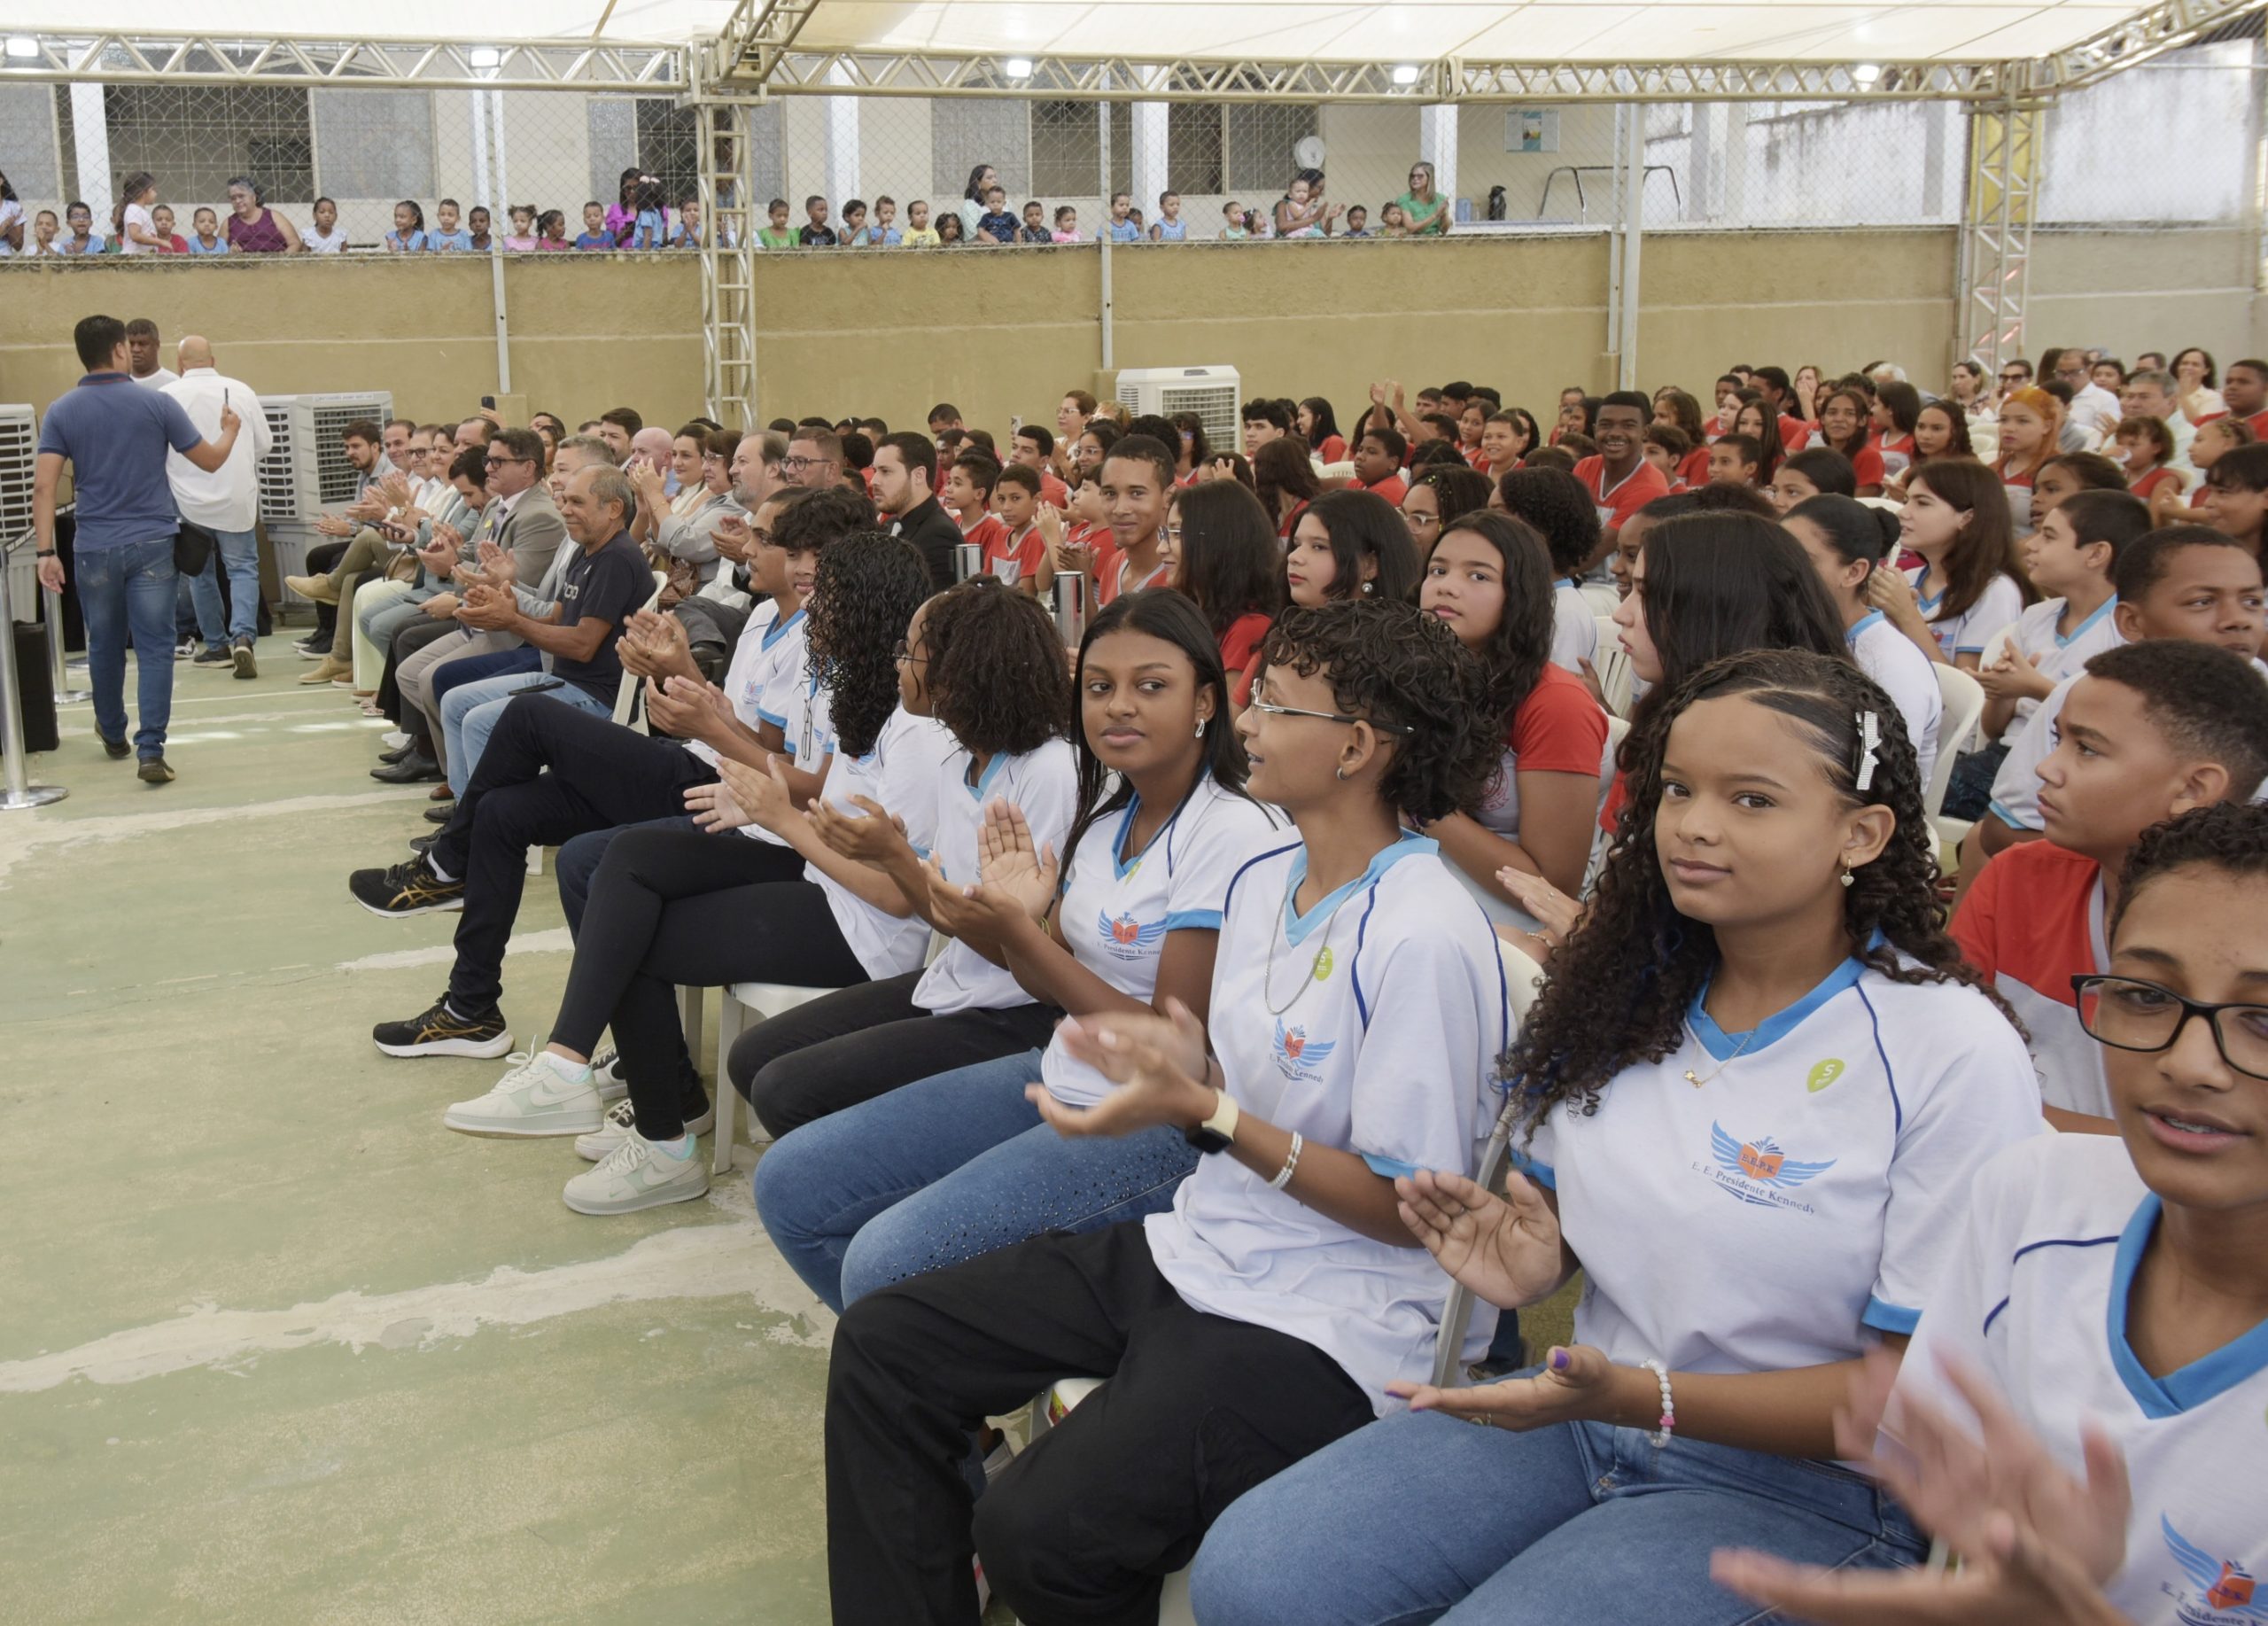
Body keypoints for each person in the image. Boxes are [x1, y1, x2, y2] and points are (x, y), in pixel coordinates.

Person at [1191, 647, 2044, 1626]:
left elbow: (1911, 1392)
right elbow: (1558, 1228)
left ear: (1862, 831)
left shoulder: (1947, 1051)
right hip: (1586, 1414)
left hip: (1808, 1489)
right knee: (1255, 1574)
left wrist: (1646, 1394)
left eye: (1752, 800)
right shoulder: (1629, 989)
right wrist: (1531, 1258)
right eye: (1677, 788)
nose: (1694, 825)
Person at [822, 596, 1504, 1624]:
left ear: (1357, 746)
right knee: (887, 1342)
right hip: (1210, 1241)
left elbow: (1412, 1208)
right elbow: (1227, 1057)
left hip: (1333, 1317)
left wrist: (1208, 1109)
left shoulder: (1424, 933)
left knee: (1036, 1531)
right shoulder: (1273, 873)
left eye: (1276, 703)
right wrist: (1175, 1063)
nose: (1251, 721)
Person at [1723, 800, 2268, 1626]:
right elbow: (1954, 1514)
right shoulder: (2038, 1194)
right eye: (2148, 994)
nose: (2189, 1062)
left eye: (2262, 1019)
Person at [757, 588, 1280, 1303]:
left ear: (1206, 703)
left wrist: (1016, 932)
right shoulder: (1106, 820)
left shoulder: (1230, 832)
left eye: (1150, 686)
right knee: (791, 1185)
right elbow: (1046, 974)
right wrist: (1018, 925)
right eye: (1100, 687)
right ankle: (920, 1377)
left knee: (881, 1262)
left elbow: (1166, 1043)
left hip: (1155, 1122)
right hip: (1059, 1067)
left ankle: (915, 1375)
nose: (1120, 705)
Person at [438, 533, 939, 1184]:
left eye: (832, 599)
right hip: (820, 875)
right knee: (626, 862)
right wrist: (758, 802)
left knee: (629, 932)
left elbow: (894, 890)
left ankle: (659, 1138)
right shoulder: (863, 694)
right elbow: (833, 801)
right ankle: (586, 1078)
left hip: (864, 929)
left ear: (871, 608)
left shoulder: (917, 731)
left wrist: (778, 813)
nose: (817, 614)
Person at [1954, 640, 2268, 1134]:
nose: (2046, 767)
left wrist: (2018, 1119)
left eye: (2086, 748)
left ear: (2192, 789)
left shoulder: (2252, 939)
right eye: (2057, 740)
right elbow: (1946, 1062)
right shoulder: (2019, 877)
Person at [1973, 525, 2266, 866]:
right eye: (2202, 602)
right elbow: (2002, 829)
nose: (2237, 621)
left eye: (2252, 601)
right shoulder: (2085, 692)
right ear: (2132, 622)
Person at [33, 315, 244, 782]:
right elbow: (209, 461)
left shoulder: (62, 410)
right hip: (152, 541)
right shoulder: (156, 403)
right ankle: (151, 750)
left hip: (93, 545)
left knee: (103, 645)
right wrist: (230, 429)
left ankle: (112, 732)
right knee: (154, 648)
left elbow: (44, 487)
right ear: (120, 351)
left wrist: (46, 552)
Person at [1418, 509, 1611, 922]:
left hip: (1511, 920)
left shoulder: (1556, 703)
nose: (1446, 587)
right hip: (1428, 880)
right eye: (1437, 570)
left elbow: (1552, 887)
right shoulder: (1427, 674)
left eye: (1478, 576)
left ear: (1520, 595)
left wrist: (1421, 804)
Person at [1952, 487, 2147, 819]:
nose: (2031, 544)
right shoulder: (2036, 617)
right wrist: (2001, 692)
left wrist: (2034, 687)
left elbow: (2118, 725)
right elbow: (1995, 729)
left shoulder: (2127, 629)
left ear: (2096, 554)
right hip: (2005, 756)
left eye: (2049, 536)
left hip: (2070, 771)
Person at [1784, 494, 1946, 790]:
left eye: (1803, 560)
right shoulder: (1796, 632)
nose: (1782, 570)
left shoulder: (1891, 666)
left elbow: (1874, 780)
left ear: (1854, 572)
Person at [162, 338, 270, 680]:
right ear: (213, 359)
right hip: (237, 495)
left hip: (189, 500)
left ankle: (216, 645)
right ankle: (243, 637)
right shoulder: (241, 390)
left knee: (199, 572)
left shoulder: (167, 396)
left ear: (180, 364)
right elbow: (264, 444)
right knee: (242, 569)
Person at [1869, 459, 2029, 669]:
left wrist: (1906, 615)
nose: (1903, 513)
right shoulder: (1908, 579)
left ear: (1967, 518)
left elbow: (1965, 693)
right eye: (1907, 500)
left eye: (1922, 503)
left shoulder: (1994, 592)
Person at [1160, 478, 1281, 705]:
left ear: (1218, 540)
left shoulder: (1249, 628)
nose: (1161, 548)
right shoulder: (1196, 612)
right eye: (1166, 534)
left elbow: (1222, 727)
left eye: (1176, 534)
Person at [1495, 467, 1604, 675]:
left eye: (1498, 513)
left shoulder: (1564, 612)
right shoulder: (1521, 593)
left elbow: (1558, 693)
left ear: (1538, 528)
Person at [1285, 488, 1420, 609]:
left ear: (1370, 566)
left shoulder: (1391, 635)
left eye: (1318, 547)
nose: (1293, 557)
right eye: (1297, 545)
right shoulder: (1286, 631)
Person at [1576, 391, 1672, 547]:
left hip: (1618, 571)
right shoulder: (1585, 467)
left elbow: (1593, 553)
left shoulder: (1651, 487)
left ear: (1644, 432)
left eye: (1628, 426)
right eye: (1606, 425)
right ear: (1594, 430)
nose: (1615, 433)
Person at [873, 432, 961, 588]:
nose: (874, 481)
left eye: (885, 471)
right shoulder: (891, 525)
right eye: (875, 471)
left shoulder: (939, 535)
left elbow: (932, 608)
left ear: (919, 475)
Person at [112, 173, 166, 255]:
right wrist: (160, 242)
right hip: (132, 259)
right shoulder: (133, 209)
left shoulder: (140, 210)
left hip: (141, 258)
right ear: (143, 192)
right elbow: (135, 235)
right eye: (153, 189)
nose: (156, 193)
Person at [1396, 160, 1452, 236]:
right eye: (1413, 176)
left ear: (1429, 178)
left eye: (1420, 176)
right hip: (1412, 242)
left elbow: (1444, 230)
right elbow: (1410, 228)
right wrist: (1435, 215)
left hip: (1435, 241)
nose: (1415, 179)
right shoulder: (1404, 200)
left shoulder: (1440, 199)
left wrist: (1444, 214)